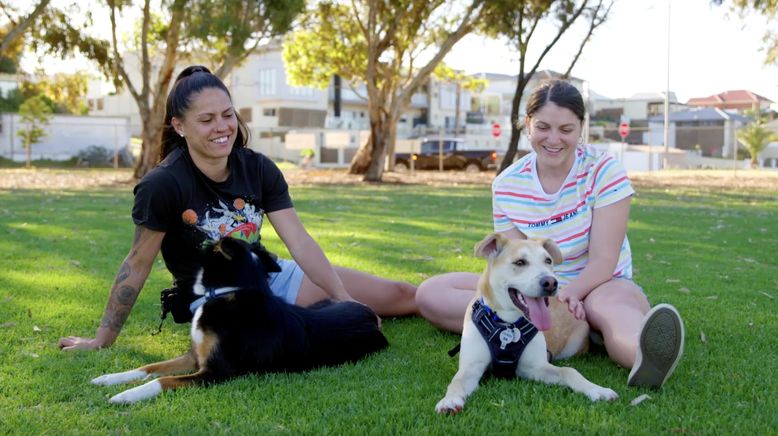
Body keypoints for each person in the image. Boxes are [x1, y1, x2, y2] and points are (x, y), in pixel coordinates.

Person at [58, 65, 417, 351]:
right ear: (179, 126)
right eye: (207, 119)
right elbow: (136, 265)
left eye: (227, 115)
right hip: (216, 298)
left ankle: (463, 301)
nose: (222, 127)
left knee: (401, 295)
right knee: (278, 338)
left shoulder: (258, 168)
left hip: (270, 277)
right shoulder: (162, 184)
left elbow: (300, 241)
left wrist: (344, 300)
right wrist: (101, 339)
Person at [415, 80, 684, 389]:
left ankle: (641, 353)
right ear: (527, 124)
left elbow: (604, 258)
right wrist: (538, 300)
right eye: (543, 127)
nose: (553, 139)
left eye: (566, 130)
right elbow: (511, 261)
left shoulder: (605, 170)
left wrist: (570, 294)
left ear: (581, 127)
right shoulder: (506, 184)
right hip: (536, 294)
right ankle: (566, 332)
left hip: (599, 284)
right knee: (432, 292)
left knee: (611, 309)